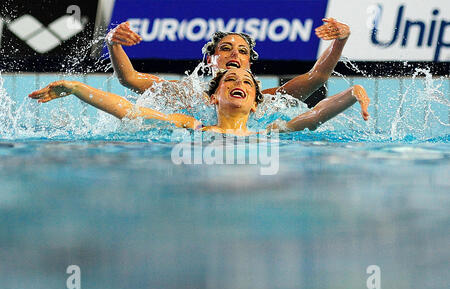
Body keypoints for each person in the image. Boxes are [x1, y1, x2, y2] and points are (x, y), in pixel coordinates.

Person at [28, 68, 370, 136]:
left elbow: (311, 118)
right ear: (213, 97)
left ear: (255, 104)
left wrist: (351, 93)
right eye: (230, 81)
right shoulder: (188, 124)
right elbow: (130, 111)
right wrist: (75, 88)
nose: (239, 83)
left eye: (247, 83)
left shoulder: (271, 132)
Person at [106, 18, 351, 102]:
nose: (235, 54)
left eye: (243, 52)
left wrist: (340, 40)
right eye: (226, 48)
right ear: (210, 59)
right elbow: (129, 78)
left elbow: (317, 77)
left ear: (249, 65)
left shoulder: (266, 101)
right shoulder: (185, 95)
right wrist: (112, 42)